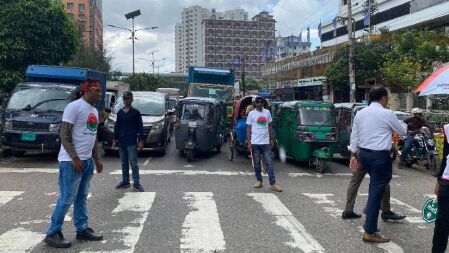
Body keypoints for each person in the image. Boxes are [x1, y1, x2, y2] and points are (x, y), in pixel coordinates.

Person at [44, 79, 104, 248]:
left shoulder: (94, 110)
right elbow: (64, 134)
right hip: (71, 162)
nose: (100, 94)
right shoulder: (74, 107)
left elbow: (93, 136)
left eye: (100, 91)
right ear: (86, 91)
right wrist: (75, 158)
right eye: (96, 90)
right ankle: (52, 232)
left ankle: (82, 228)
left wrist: (96, 158)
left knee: (82, 196)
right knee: (66, 198)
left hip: (86, 162)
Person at [349, 85, 407, 243]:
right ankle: (370, 231)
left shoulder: (361, 113)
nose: (387, 101)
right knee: (376, 193)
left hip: (363, 154)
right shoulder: (387, 113)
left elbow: (355, 135)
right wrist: (404, 125)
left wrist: (353, 155)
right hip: (379, 157)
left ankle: (370, 217)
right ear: (382, 98)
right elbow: (402, 131)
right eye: (387, 98)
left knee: (374, 190)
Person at [342, 151, 406, 221]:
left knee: (354, 183)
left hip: (361, 154)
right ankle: (386, 211)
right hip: (375, 155)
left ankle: (348, 210)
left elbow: (354, 141)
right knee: (382, 182)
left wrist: (353, 156)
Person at [247, 96, 282, 192]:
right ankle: (259, 180)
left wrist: (272, 138)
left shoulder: (267, 112)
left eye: (261, 102)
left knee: (269, 163)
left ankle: (273, 183)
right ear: (255, 104)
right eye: (258, 102)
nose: (260, 104)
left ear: (263, 103)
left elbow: (270, 126)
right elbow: (249, 128)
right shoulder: (251, 114)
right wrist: (249, 141)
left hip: (266, 143)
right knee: (257, 164)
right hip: (255, 143)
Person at [113, 91, 145, 192]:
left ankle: (136, 183)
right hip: (122, 141)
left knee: (133, 163)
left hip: (131, 141)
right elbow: (117, 127)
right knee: (124, 163)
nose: (126, 101)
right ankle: (125, 181)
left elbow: (140, 128)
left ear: (132, 100)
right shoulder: (120, 113)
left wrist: (140, 141)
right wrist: (114, 140)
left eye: (128, 99)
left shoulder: (136, 113)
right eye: (125, 99)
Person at [432, 122, 449, 253]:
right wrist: (439, 181)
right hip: (447, 181)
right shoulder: (448, 129)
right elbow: (445, 156)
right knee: (443, 221)